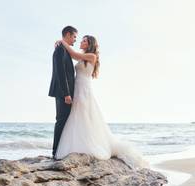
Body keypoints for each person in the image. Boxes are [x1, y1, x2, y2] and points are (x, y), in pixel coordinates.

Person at [54, 34, 148, 168]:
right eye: (81, 40)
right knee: (78, 115)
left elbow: (74, 53)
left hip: (84, 89)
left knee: (85, 115)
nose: (81, 42)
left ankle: (88, 145)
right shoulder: (83, 56)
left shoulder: (92, 56)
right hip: (77, 87)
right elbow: (74, 55)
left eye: (84, 41)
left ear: (90, 43)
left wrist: (62, 41)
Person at [48, 26, 77, 159]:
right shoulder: (60, 50)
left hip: (66, 92)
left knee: (65, 120)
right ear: (67, 34)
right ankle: (56, 152)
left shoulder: (64, 49)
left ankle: (62, 150)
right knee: (61, 121)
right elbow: (61, 73)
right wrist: (66, 93)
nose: (75, 40)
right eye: (74, 37)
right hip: (62, 92)